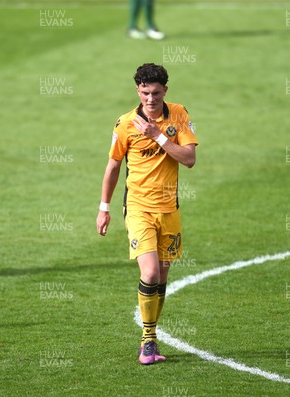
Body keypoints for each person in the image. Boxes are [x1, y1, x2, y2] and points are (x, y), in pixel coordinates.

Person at [96, 63, 198, 364]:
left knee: (162, 275)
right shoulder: (126, 123)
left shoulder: (178, 114)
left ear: (165, 90)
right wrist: (104, 208)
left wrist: (159, 137)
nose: (150, 99)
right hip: (139, 208)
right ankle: (148, 340)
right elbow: (113, 165)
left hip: (170, 210)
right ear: (138, 91)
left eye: (155, 93)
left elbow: (189, 159)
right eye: (144, 93)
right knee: (150, 272)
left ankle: (151, 336)